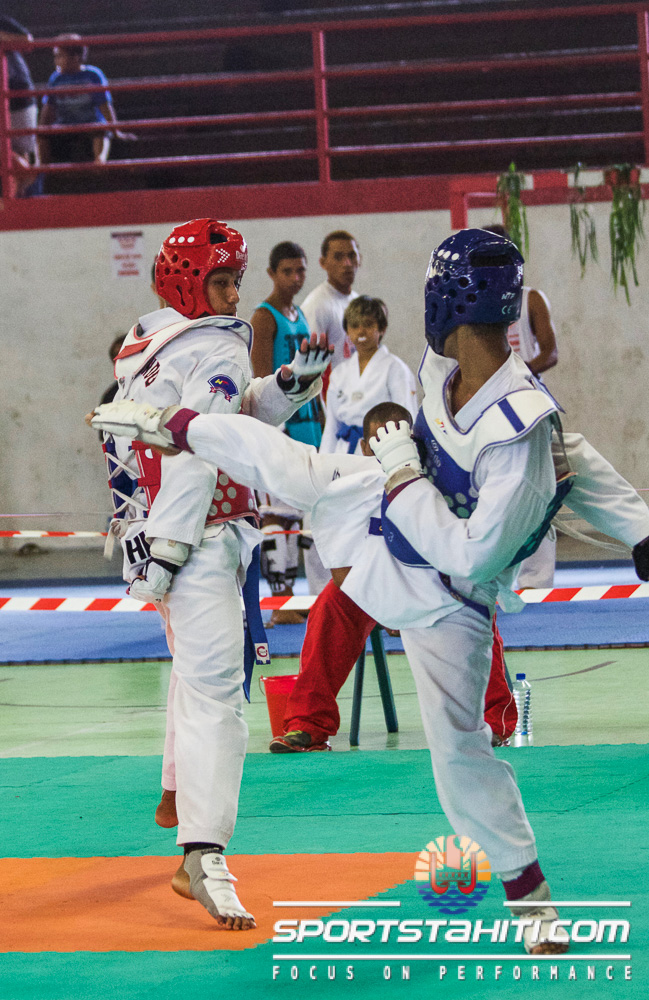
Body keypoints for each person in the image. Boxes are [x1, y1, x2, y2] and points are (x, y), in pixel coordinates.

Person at [89, 229, 649, 953]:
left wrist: (400, 465)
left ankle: (533, 907)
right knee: (302, 471)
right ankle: (178, 427)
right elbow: (576, 457)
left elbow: (475, 548)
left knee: (460, 755)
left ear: (444, 303)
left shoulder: (520, 431)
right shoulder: (444, 367)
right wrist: (641, 530)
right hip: (385, 517)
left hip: (449, 594)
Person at [92, 217, 332, 930]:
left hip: (166, 528)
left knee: (194, 676)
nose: (233, 296)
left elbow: (225, 415)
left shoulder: (151, 341)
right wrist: (170, 548)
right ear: (189, 283)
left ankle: (176, 791)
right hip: (193, 534)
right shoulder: (217, 343)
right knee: (219, 691)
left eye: (235, 281)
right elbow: (199, 449)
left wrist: (286, 387)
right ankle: (203, 852)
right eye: (222, 281)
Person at [483, 223, 559, 586]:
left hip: (526, 402)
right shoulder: (474, 302)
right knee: (494, 490)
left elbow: (550, 353)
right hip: (486, 407)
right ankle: (494, 575)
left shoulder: (530, 299)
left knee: (538, 486)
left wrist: (513, 375)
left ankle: (537, 581)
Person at [250, 241, 320, 624]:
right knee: (277, 513)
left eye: (300, 270)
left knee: (298, 513)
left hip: (307, 420)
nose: (295, 278)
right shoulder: (265, 318)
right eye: (287, 271)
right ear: (272, 274)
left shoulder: (300, 314)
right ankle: (281, 601)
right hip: (281, 424)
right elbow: (262, 379)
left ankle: (294, 598)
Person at [320, 296, 418, 456]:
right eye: (354, 326)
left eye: (368, 324)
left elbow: (407, 420)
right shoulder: (339, 373)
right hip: (343, 451)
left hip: (381, 451)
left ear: (382, 328)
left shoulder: (396, 369)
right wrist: (323, 461)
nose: (361, 331)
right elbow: (331, 426)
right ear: (347, 331)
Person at [39, 34, 135, 172]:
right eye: (55, 57)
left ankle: (99, 161)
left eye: (60, 56)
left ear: (75, 57)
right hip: (65, 123)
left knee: (101, 131)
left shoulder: (92, 75)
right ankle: (43, 169)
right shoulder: (56, 79)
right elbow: (48, 108)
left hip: (90, 121)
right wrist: (42, 128)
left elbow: (105, 105)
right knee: (41, 135)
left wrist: (115, 130)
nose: (56, 61)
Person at [300, 230, 361, 376]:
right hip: (332, 389)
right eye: (338, 257)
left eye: (351, 256)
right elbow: (308, 367)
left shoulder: (357, 301)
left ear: (360, 259)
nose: (347, 263)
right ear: (323, 263)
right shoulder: (316, 306)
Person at [0, 16, 40, 197]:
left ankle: (18, 199)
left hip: (17, 95)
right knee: (9, 154)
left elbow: (27, 42)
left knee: (18, 151)